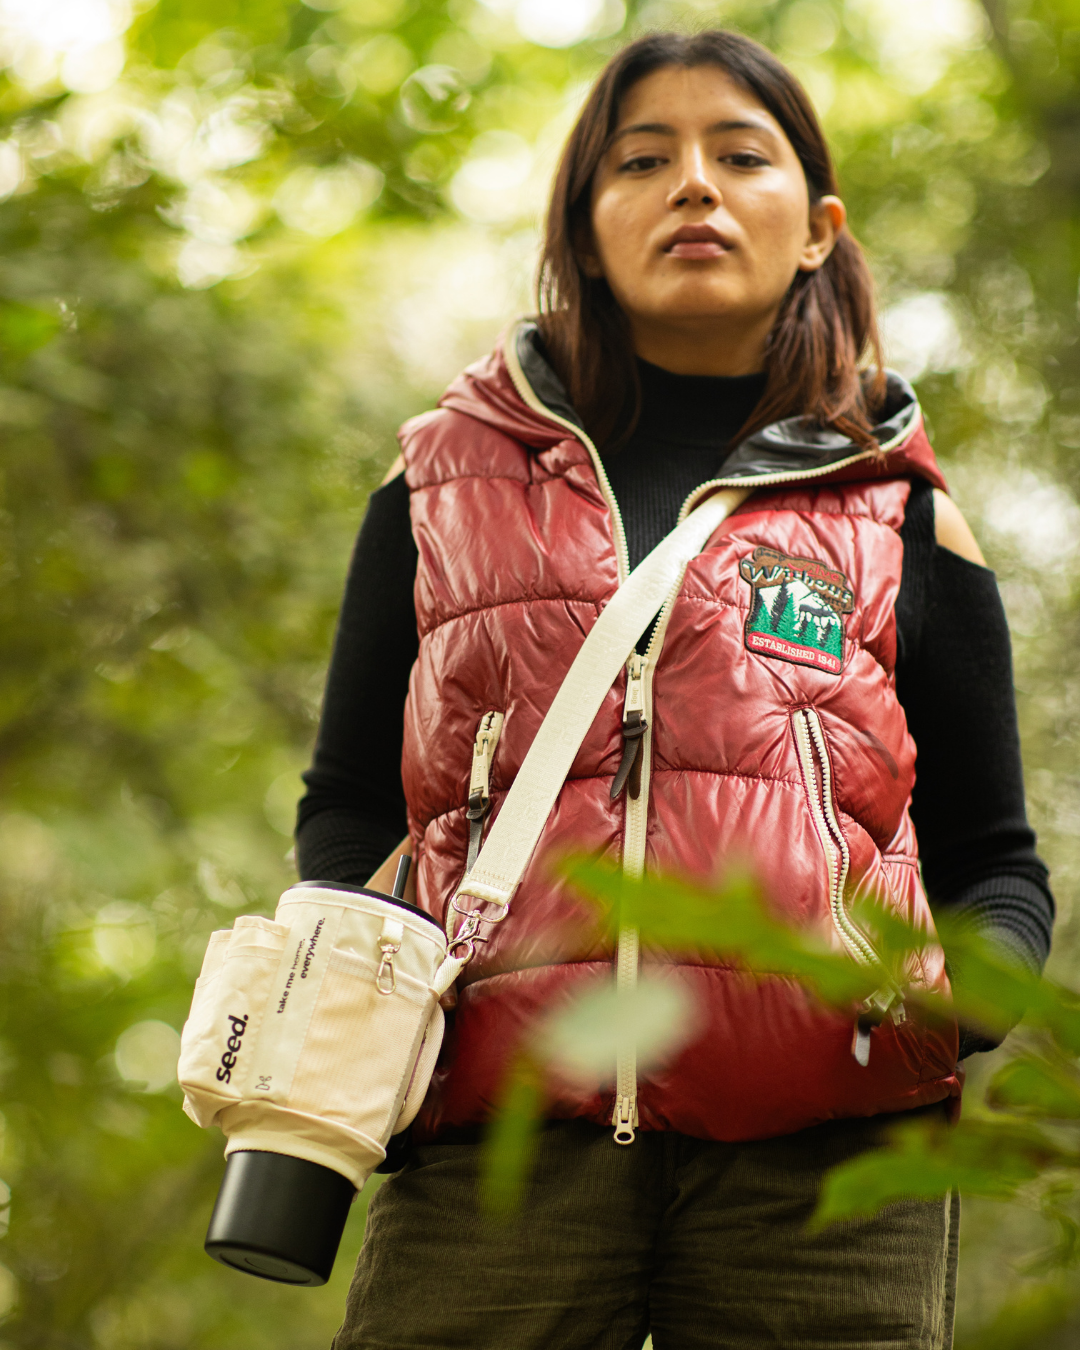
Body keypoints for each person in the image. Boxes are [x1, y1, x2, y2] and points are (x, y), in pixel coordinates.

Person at [297, 30, 1054, 1350]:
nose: (694, 184)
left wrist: (943, 1012)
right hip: (495, 1143)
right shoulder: (436, 487)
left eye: (740, 155)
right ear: (586, 233)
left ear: (817, 230)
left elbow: (992, 858)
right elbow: (349, 805)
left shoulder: (906, 515)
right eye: (643, 161)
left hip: (830, 1165)